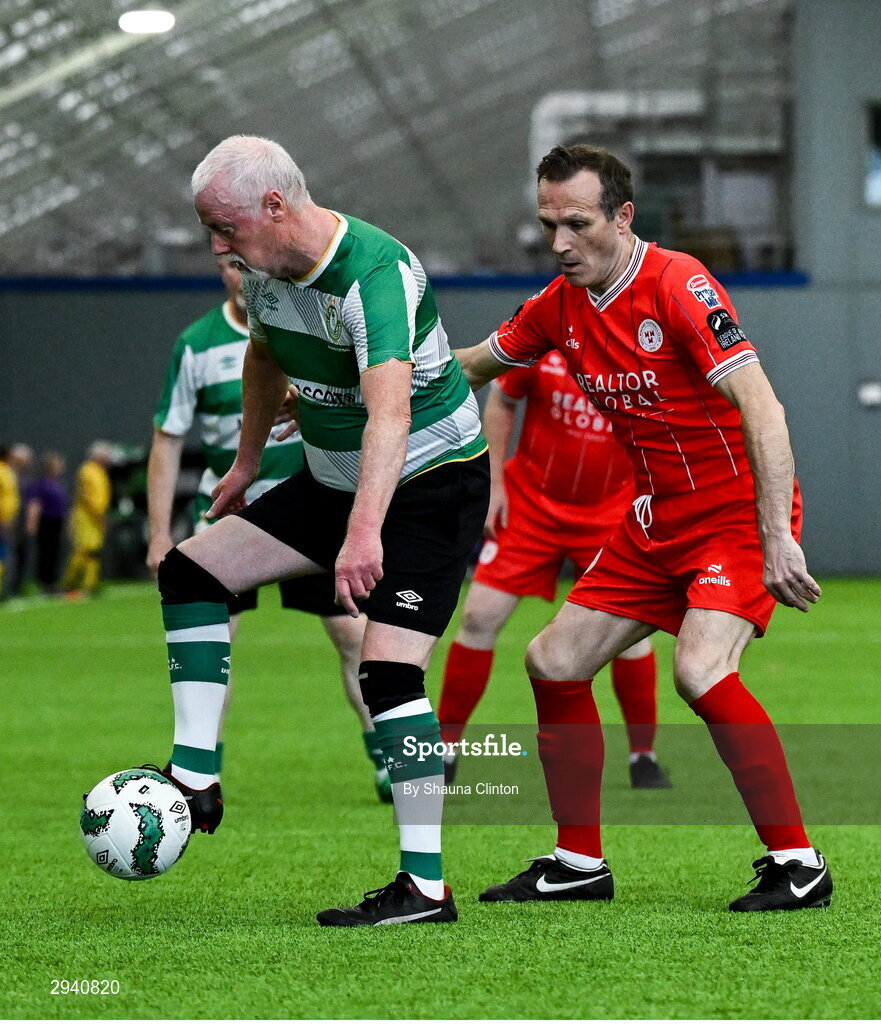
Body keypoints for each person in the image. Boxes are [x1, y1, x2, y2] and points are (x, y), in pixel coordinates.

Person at [456, 144, 831, 913]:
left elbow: (763, 410)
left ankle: (798, 863)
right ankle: (576, 863)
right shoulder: (557, 306)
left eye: (577, 224)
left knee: (698, 672)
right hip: (655, 518)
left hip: (732, 515)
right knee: (552, 660)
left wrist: (774, 535)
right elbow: (470, 367)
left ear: (622, 218)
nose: (559, 243)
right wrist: (359, 385)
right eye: (547, 225)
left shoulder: (679, 283)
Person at [154, 135, 489, 927]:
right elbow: (264, 362)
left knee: (387, 675)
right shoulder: (263, 273)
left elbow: (392, 415)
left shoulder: (375, 273)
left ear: (275, 206)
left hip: (429, 488)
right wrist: (242, 468)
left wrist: (362, 534)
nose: (216, 246)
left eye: (224, 227)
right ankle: (196, 772)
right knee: (191, 572)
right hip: (334, 478)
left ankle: (425, 889)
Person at [145, 259, 388, 802]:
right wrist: (159, 533)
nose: (241, 273)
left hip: (309, 510)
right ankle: (198, 773)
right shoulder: (196, 345)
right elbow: (168, 437)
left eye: (247, 263)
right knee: (213, 640)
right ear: (216, 263)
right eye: (230, 264)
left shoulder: (308, 320)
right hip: (229, 517)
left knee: (354, 635)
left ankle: (387, 762)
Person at [438, 352, 670, 788]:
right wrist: (495, 484)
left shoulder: (643, 344)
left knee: (629, 632)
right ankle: (446, 750)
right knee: (478, 616)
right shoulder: (545, 330)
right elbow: (502, 397)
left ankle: (644, 757)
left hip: (612, 511)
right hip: (531, 505)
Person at [62, 441, 114, 598]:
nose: (108, 458)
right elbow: (86, 496)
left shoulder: (100, 472)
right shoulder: (87, 470)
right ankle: (69, 583)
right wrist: (98, 515)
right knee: (83, 551)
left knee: (94, 551)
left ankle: (90, 584)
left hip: (97, 516)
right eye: (106, 455)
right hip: (86, 517)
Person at [23, 451, 69, 594]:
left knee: (55, 552)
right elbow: (35, 505)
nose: (61, 467)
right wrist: (32, 523)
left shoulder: (57, 484)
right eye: (58, 464)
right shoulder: (41, 485)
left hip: (57, 522)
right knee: (46, 553)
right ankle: (46, 583)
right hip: (46, 522)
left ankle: (53, 581)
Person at [0, 443, 33, 597]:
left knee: (7, 555)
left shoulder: (7, 472)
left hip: (9, 520)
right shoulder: (3, 472)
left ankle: (6, 589)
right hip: (3, 521)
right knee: (3, 555)